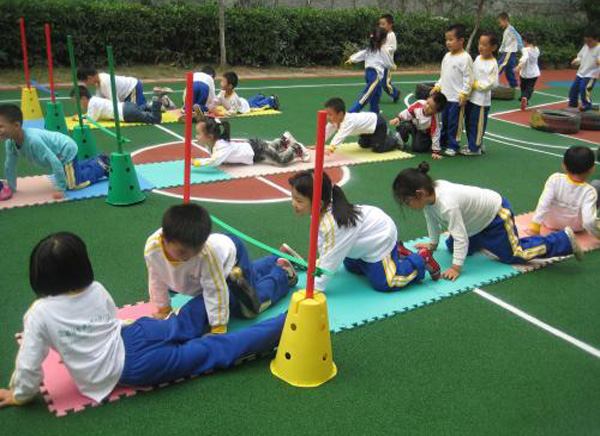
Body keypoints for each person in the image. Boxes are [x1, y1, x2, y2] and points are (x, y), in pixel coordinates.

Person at [0, 232, 286, 408]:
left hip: (136, 366)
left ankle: (287, 322)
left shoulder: (39, 314)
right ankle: (272, 265)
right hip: (136, 333)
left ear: (39, 276)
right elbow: (106, 321)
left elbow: (29, 362)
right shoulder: (96, 289)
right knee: (194, 313)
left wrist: (20, 394)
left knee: (213, 350)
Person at [392, 162, 583, 281]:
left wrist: (456, 268)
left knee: (514, 254)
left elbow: (460, 236)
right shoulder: (429, 196)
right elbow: (432, 221)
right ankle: (483, 242)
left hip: (495, 217)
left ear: (420, 193)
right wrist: (433, 244)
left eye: (407, 202)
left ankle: (563, 240)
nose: (408, 206)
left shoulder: (447, 204)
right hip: (473, 225)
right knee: (452, 247)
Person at [145, 204, 297, 333]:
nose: (189, 257)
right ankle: (276, 257)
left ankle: (283, 272)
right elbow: (156, 277)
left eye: (196, 251)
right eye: (182, 252)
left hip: (233, 256)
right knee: (247, 277)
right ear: (165, 240)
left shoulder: (206, 256)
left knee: (249, 308)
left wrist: (218, 327)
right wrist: (163, 309)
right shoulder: (153, 249)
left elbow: (214, 290)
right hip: (220, 257)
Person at [287, 170, 440, 292]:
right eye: (293, 198)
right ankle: (397, 253)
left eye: (299, 200)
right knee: (351, 267)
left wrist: (315, 287)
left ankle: (420, 259)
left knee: (386, 282)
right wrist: (319, 264)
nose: (293, 204)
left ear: (319, 203)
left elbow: (332, 256)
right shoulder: (322, 211)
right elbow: (324, 243)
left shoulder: (333, 224)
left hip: (380, 237)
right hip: (364, 239)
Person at [0, 104, 109, 201]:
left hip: (65, 150)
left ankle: (101, 166)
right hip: (58, 152)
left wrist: (60, 188)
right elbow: (10, 165)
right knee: (69, 172)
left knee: (73, 184)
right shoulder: (10, 142)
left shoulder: (33, 141)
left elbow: (54, 162)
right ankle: (94, 161)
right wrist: (11, 187)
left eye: (1, 126)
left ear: (16, 126)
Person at [529, 146, 600, 238]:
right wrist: (598, 235)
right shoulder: (590, 191)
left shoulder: (554, 179)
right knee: (597, 184)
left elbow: (543, 203)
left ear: (563, 166)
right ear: (592, 169)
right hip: (576, 228)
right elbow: (588, 221)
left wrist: (535, 227)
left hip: (550, 223)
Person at [192, 117, 310, 168]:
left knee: (281, 161)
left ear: (210, 136)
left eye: (198, 133)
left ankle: (296, 148)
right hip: (255, 151)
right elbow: (215, 157)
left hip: (257, 149)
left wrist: (196, 162)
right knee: (270, 150)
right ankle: (282, 141)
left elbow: (214, 161)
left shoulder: (221, 146)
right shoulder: (213, 144)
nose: (196, 136)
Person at [431, 23, 474, 157]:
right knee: (444, 122)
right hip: (445, 97)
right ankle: (443, 142)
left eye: (451, 39)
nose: (448, 42)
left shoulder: (465, 58)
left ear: (461, 40)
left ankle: (453, 145)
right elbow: (443, 75)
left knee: (454, 124)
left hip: (457, 99)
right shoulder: (447, 56)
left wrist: (464, 94)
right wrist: (438, 86)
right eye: (446, 39)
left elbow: (469, 78)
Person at [463, 32, 499, 156]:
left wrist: (477, 85)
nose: (480, 47)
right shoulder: (478, 58)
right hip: (471, 97)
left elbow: (493, 83)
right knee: (469, 122)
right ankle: (474, 143)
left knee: (477, 124)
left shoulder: (493, 64)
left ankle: (475, 148)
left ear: (493, 47)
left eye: (484, 44)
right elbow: (471, 73)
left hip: (481, 101)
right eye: (479, 44)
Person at [345, 27, 395, 114]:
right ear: (383, 40)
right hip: (375, 76)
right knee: (367, 95)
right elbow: (388, 62)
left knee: (377, 94)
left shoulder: (369, 49)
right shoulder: (383, 50)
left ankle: (374, 112)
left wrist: (352, 59)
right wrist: (393, 66)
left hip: (369, 74)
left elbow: (361, 54)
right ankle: (352, 111)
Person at [323, 97, 397, 155]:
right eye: (327, 114)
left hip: (378, 124)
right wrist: (319, 144)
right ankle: (380, 137)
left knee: (378, 148)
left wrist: (330, 149)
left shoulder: (348, 122)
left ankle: (394, 139)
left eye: (330, 114)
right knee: (363, 144)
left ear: (340, 114)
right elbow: (326, 132)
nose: (327, 117)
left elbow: (340, 136)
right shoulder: (334, 121)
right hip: (366, 131)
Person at [72, 86, 168, 124]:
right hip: (127, 106)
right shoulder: (94, 99)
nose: (78, 105)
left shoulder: (92, 104)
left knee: (155, 119)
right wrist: (82, 116)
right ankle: (150, 106)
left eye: (77, 102)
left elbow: (91, 120)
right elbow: (90, 115)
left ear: (84, 98)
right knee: (141, 111)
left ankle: (157, 99)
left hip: (126, 113)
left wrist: (79, 119)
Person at [77, 66, 160, 109]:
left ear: (90, 78)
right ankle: (150, 103)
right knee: (134, 108)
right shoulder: (97, 83)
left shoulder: (106, 82)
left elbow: (115, 104)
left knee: (137, 111)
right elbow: (99, 100)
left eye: (85, 82)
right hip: (126, 95)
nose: (87, 85)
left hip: (133, 87)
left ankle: (159, 101)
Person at [209, 71, 279, 117]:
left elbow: (232, 113)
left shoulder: (233, 99)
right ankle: (259, 97)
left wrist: (220, 113)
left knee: (256, 105)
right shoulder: (222, 92)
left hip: (244, 108)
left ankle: (271, 100)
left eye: (223, 82)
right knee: (249, 101)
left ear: (230, 86)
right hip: (242, 102)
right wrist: (211, 106)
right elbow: (217, 100)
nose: (220, 83)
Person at [569, 28, 600, 112]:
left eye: (589, 41)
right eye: (586, 41)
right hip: (581, 73)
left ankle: (587, 105)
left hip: (591, 75)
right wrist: (576, 61)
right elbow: (580, 57)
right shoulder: (585, 46)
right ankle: (572, 106)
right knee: (573, 90)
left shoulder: (598, 48)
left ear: (596, 39)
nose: (587, 43)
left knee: (584, 88)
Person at [515, 33, 541, 111]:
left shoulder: (525, 50)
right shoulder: (536, 49)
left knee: (523, 86)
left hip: (524, 73)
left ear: (525, 41)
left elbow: (524, 58)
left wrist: (519, 66)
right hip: (534, 73)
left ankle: (523, 97)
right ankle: (525, 98)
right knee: (530, 87)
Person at [497, 12, 522, 89]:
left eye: (500, 22)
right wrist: (501, 49)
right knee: (509, 69)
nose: (499, 24)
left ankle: (490, 79)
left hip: (509, 52)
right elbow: (504, 41)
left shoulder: (511, 29)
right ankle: (513, 84)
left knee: (500, 65)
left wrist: (521, 48)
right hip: (509, 52)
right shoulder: (507, 30)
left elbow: (518, 37)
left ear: (505, 20)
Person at [379, 14, 400, 103]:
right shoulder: (381, 34)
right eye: (380, 24)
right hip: (379, 63)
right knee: (377, 81)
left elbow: (393, 47)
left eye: (383, 24)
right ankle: (375, 96)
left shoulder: (391, 35)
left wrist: (384, 49)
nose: (381, 26)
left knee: (385, 83)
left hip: (387, 64)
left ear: (390, 25)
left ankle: (395, 93)